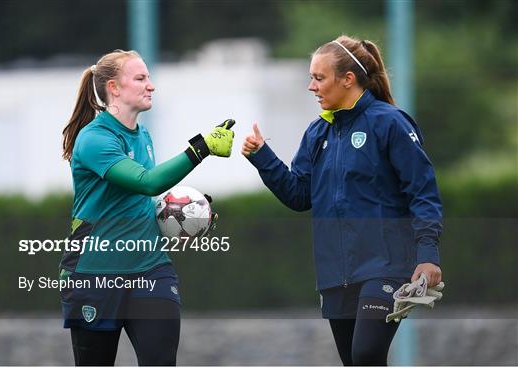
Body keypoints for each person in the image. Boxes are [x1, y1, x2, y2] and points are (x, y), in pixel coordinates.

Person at [242, 35, 442, 366]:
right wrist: (263, 157)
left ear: (348, 79)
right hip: (336, 274)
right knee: (354, 360)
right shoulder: (316, 133)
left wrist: (428, 255)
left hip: (386, 266)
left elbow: (423, 192)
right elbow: (299, 195)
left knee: (366, 354)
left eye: (318, 77)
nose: (311, 86)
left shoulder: (389, 122)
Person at [60, 49, 235, 366]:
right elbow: (147, 182)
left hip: (152, 270)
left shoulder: (144, 136)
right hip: (95, 275)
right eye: (141, 78)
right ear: (114, 87)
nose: (150, 85)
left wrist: (191, 213)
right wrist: (201, 148)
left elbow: (145, 199)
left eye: (149, 78)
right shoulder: (94, 139)